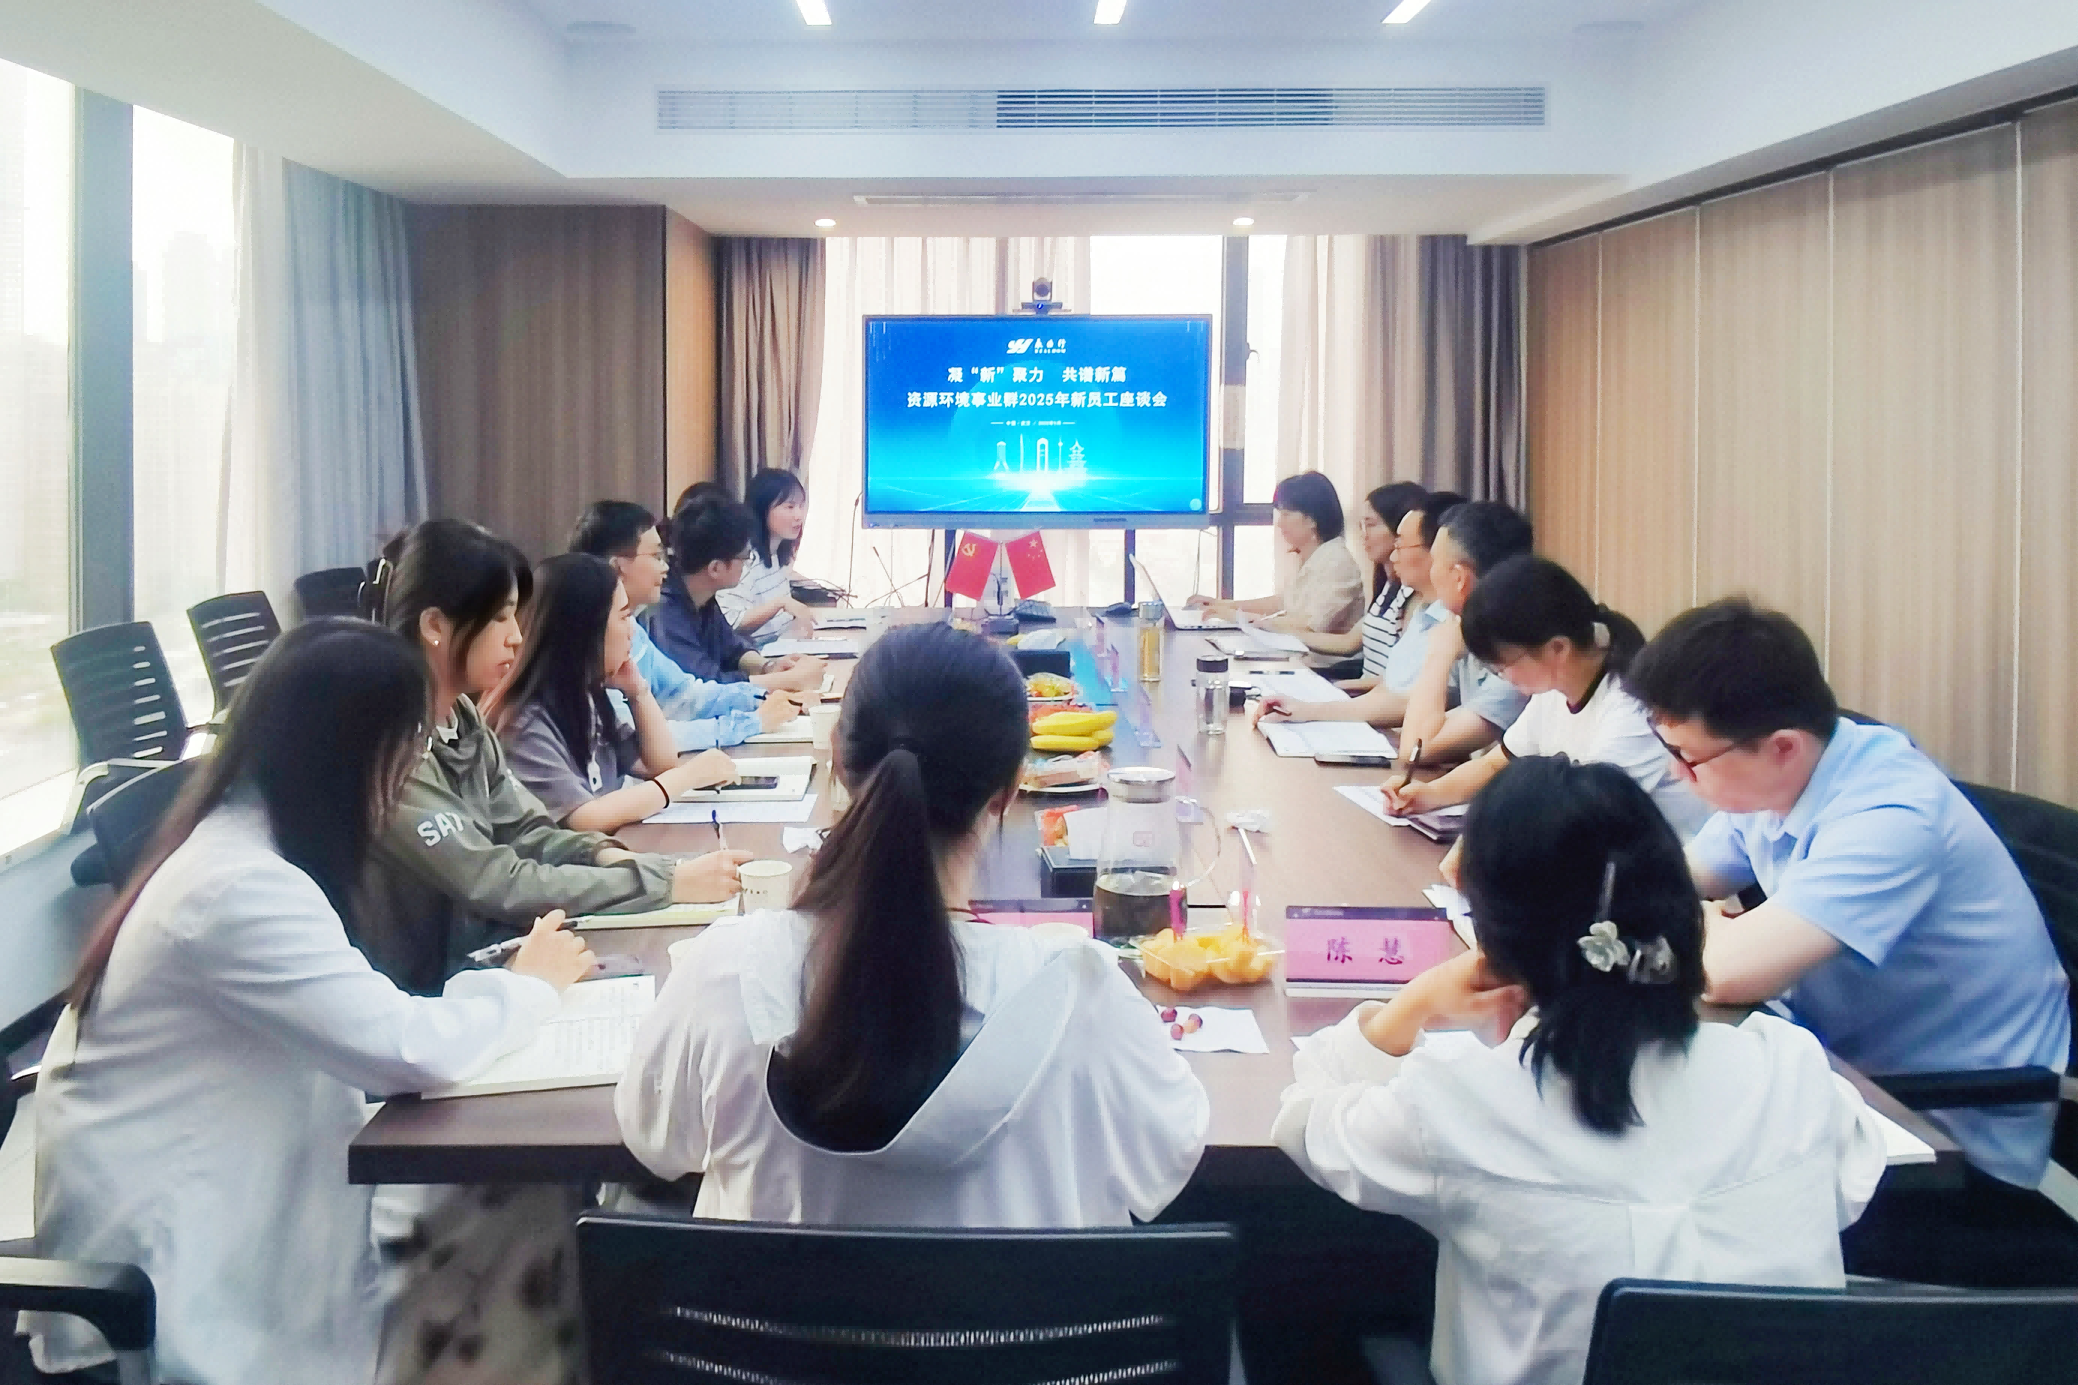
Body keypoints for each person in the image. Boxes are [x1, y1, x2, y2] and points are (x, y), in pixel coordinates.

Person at [26, 620, 597, 1385]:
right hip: (188, 1262)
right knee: (518, 1223)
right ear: (346, 755)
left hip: (263, 1193)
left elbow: (373, 1028)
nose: (409, 771)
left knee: (520, 1209)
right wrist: (529, 985)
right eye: (405, 747)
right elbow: (402, 1046)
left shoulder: (247, 845)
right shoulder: (237, 887)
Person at [1277, 756, 1888, 1385]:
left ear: (1493, 940)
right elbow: (1848, 1182)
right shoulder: (1788, 1071)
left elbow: (1305, 1121)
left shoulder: (1461, 1100)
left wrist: (1415, 1003)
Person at [617, 622, 1209, 1224]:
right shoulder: (1084, 999)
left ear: (838, 759)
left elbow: (655, 1141)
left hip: (776, 1290)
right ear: (1008, 791)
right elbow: (1167, 1158)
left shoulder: (725, 975)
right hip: (1003, 1292)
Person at [1626, 597, 2071, 1194]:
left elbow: (1725, 973)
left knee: (1661, 1175)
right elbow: (1667, 884)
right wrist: (1708, 920)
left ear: (1783, 746)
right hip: (1846, 1076)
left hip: (1941, 1131)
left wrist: (1709, 927)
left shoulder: (1890, 813)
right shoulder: (1780, 776)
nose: (1676, 774)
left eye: (1686, 756)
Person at [358, 519, 749, 995]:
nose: (515, 637)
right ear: (436, 626)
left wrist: (605, 855)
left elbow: (530, 832)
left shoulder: (462, 718)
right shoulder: (391, 752)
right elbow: (498, 881)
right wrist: (663, 882)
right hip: (434, 997)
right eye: (499, 618)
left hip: (493, 960)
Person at [1383, 555, 1709, 866]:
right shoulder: (1555, 688)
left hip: (1667, 874)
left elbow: (1579, 816)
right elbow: (1497, 763)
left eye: (1504, 665)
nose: (1504, 676)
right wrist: (1430, 794)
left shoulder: (1630, 708)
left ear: (1558, 648)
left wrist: (1481, 843)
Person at [486, 553, 741, 833]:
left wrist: (638, 692)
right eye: (624, 616)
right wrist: (687, 777)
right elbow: (584, 818)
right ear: (586, 630)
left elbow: (658, 764)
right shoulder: (526, 721)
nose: (632, 631)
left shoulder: (587, 696)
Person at [568, 499, 800, 751]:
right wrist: (752, 721)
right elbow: (634, 738)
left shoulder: (634, 629)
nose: (665, 566)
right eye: (655, 556)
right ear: (618, 567)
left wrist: (764, 697)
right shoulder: (592, 640)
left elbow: (686, 694)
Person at [1256, 490, 1466, 730]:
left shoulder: (1451, 625)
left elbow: (1406, 704)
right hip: (1377, 718)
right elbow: (1391, 688)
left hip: (1393, 729)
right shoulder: (1424, 613)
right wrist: (1315, 703)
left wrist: (1313, 708)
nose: (1394, 555)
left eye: (1400, 543)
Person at [1396, 500, 1536, 763]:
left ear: (1459, 578)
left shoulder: (1518, 655)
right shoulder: (1468, 628)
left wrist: (1439, 655)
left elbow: (1416, 749)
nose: (1431, 572)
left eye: (1435, 562)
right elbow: (1422, 731)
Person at [647, 494, 826, 693]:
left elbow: (733, 649)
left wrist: (768, 667)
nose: (747, 563)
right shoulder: (665, 614)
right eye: (744, 556)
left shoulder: (702, 597)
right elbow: (709, 687)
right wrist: (785, 681)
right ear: (715, 568)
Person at [1275, 481, 1428, 685]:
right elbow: (1348, 643)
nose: (1364, 535)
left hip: (1370, 697)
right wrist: (1271, 631)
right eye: (1361, 526)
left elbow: (1399, 685)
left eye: (1371, 525)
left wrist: (1335, 689)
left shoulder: (1415, 596)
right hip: (1364, 694)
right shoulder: (1388, 587)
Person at [1187, 471, 1364, 637]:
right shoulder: (1317, 557)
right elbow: (1282, 602)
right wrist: (1219, 604)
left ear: (1312, 520)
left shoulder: (1337, 564)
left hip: (1321, 660)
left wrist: (1237, 617)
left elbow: (1310, 626)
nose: (1279, 523)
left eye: (1286, 515)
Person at [718, 467, 823, 647]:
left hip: (784, 649)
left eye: (801, 506)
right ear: (763, 509)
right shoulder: (745, 559)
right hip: (756, 657)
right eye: (790, 507)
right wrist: (781, 603)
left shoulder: (778, 554)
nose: (799, 516)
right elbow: (731, 622)